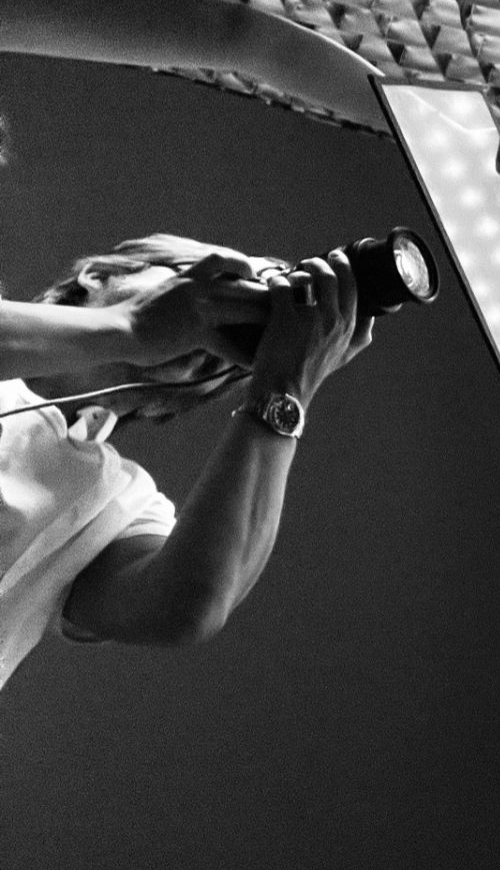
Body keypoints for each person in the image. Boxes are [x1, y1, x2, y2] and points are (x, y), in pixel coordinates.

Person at [0, 233, 372, 688]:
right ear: (99, 275)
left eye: (239, 343)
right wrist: (131, 328)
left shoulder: (117, 504)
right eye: (223, 289)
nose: (219, 325)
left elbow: (186, 606)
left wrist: (285, 386)